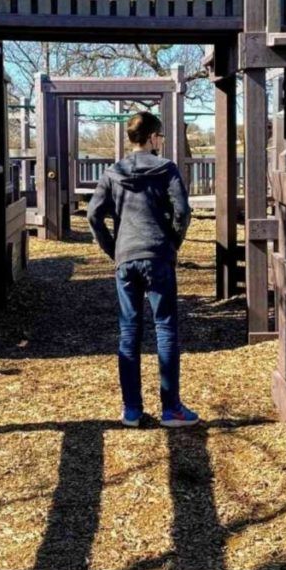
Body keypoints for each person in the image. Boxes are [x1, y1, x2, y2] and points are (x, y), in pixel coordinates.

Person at [87, 111, 199, 429]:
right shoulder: (166, 169)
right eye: (160, 136)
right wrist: (172, 244)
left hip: (126, 259)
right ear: (151, 138)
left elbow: (94, 215)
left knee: (129, 332)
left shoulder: (112, 172)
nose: (161, 142)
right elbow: (183, 211)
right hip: (158, 256)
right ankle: (171, 408)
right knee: (164, 329)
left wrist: (113, 249)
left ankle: (132, 410)